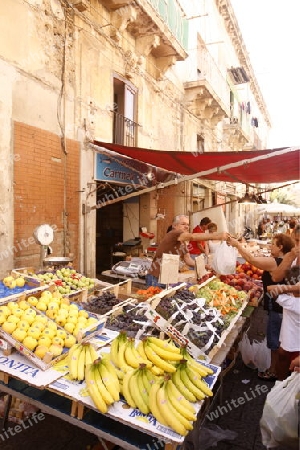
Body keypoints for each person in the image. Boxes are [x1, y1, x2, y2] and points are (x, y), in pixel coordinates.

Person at [227, 233, 295, 380]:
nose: (270, 246)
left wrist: (237, 245)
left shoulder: (276, 262)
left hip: (277, 307)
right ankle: (282, 370)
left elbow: (251, 260)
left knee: (274, 341)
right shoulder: (287, 261)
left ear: (281, 247)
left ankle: (274, 371)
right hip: (282, 306)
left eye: (273, 244)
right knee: (283, 339)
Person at [145, 214, 228, 288]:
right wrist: (217, 236)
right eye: (183, 224)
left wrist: (204, 266)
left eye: (188, 224)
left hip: (167, 276)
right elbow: (192, 237)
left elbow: (187, 259)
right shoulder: (174, 233)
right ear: (174, 225)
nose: (186, 226)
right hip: (156, 277)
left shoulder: (182, 241)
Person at [273, 266, 300, 380]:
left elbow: (272, 290)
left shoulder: (290, 301)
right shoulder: (291, 299)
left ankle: (281, 382)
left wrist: (290, 288)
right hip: (294, 340)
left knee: (284, 359)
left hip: (289, 341)